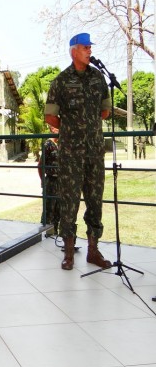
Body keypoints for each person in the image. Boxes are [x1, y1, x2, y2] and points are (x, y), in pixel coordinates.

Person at [45, 32, 112, 271]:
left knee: (95, 201)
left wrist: (89, 126)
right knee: (69, 203)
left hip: (94, 151)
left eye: (90, 47)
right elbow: (50, 116)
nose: (89, 51)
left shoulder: (98, 78)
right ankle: (69, 253)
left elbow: (106, 110)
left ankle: (93, 251)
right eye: (85, 47)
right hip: (71, 153)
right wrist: (72, 129)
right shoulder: (61, 81)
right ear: (74, 51)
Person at [38, 125, 60, 236]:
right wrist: (43, 182)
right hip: (51, 181)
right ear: (52, 128)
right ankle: (47, 233)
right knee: (49, 208)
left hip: (60, 182)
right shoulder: (48, 145)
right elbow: (40, 165)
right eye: (56, 127)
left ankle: (55, 232)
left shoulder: (60, 144)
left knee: (59, 209)